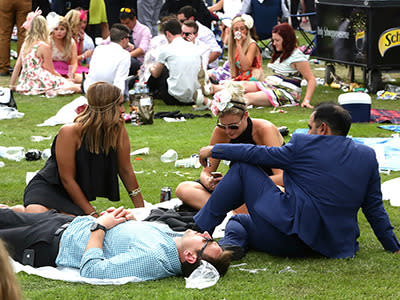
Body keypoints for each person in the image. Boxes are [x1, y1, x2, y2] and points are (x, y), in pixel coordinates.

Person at [194, 102, 400, 259]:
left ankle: (196, 235)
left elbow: (256, 153)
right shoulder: (367, 156)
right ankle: (231, 246)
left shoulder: (304, 145)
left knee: (242, 169)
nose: (307, 132)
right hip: (335, 246)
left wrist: (215, 149)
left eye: (310, 127)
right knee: (239, 221)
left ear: (323, 129)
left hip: (290, 239)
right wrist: (393, 246)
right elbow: (374, 208)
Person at [0, 206, 232, 281]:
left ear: (191, 257)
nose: (205, 233)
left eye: (206, 240)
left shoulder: (153, 259)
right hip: (63, 223)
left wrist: (100, 228)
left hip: (47, 242)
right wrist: (125, 220)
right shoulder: (173, 239)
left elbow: (92, 270)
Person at [22, 82, 144, 217]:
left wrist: (142, 211)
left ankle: (20, 213)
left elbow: (126, 170)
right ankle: (14, 212)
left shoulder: (117, 129)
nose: (123, 110)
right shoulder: (69, 132)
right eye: (119, 105)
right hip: (48, 189)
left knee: (66, 223)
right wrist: (92, 214)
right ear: (107, 107)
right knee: (42, 218)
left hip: (73, 196)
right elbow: (67, 178)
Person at [176, 83, 283, 212]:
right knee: (184, 188)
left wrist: (241, 184)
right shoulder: (221, 131)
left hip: (264, 187)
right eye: (223, 126)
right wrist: (208, 181)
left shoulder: (264, 129)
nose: (228, 132)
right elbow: (206, 171)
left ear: (245, 116)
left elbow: (282, 177)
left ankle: (223, 212)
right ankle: (231, 213)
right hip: (237, 192)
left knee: (277, 195)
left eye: (233, 126)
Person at [240, 23, 316, 108]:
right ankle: (224, 98)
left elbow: (311, 79)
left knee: (248, 97)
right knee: (240, 86)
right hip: (271, 85)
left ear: (287, 40)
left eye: (277, 40)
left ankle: (227, 107)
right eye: (273, 40)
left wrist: (306, 101)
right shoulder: (282, 53)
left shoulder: (297, 57)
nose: (274, 43)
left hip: (286, 92)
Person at [9, 13, 80, 96]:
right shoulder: (43, 46)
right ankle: (54, 91)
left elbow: (18, 65)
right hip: (41, 78)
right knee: (76, 87)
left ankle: (54, 90)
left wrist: (12, 85)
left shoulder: (26, 44)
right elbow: (50, 69)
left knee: (73, 84)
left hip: (26, 81)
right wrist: (61, 78)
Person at [147, 18, 203, 106]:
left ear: (168, 34)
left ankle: (150, 91)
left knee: (163, 69)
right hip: (195, 97)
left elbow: (156, 74)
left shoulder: (166, 49)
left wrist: (150, 68)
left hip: (173, 99)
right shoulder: (195, 47)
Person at [83, 24, 131, 94]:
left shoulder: (98, 49)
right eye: (128, 37)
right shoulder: (125, 55)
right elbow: (119, 82)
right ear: (124, 39)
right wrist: (119, 100)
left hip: (89, 90)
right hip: (108, 95)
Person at [48, 14, 86, 80]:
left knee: (83, 78)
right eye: (56, 29)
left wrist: (71, 74)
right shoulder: (49, 41)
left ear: (66, 30)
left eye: (62, 29)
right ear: (52, 30)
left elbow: (74, 63)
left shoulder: (71, 42)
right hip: (51, 70)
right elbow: (46, 63)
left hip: (67, 69)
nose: (59, 32)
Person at [227, 14, 263, 81]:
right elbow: (235, 71)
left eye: (242, 29)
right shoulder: (234, 45)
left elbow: (245, 67)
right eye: (236, 29)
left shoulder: (252, 45)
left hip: (253, 77)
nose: (239, 32)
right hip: (242, 77)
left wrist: (239, 46)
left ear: (247, 30)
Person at [0, 0, 31, 76]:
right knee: (23, 33)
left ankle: (3, 68)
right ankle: (21, 67)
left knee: (4, 34)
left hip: (5, 2)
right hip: (24, 2)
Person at [120, 7, 152, 76]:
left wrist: (125, 57)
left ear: (134, 19)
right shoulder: (120, 29)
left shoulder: (144, 30)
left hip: (139, 62)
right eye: (123, 24)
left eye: (127, 23)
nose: (125, 26)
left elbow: (142, 50)